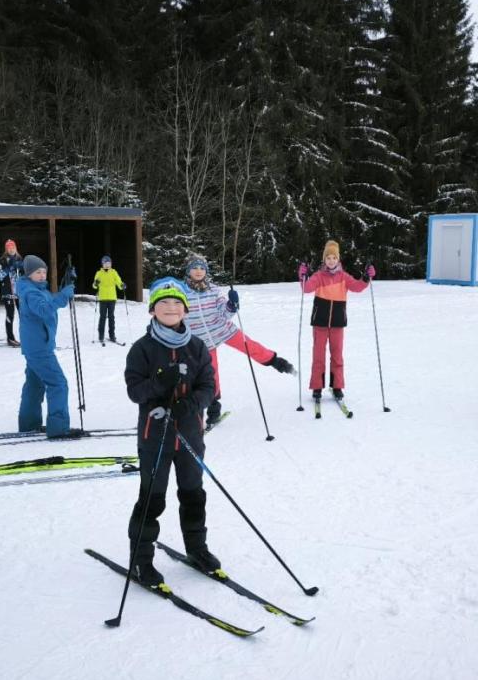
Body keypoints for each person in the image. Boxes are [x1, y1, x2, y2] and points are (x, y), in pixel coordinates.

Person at [123, 277, 218, 586]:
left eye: (177, 303)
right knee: (153, 497)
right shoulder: (143, 349)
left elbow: (208, 386)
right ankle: (141, 560)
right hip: (155, 435)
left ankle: (197, 548)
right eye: (164, 303)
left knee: (193, 493)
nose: (171, 308)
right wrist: (159, 384)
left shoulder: (197, 346)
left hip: (190, 433)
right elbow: (135, 391)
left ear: (185, 311)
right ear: (153, 310)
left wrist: (190, 404)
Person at [183, 253, 293, 425]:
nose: (198, 271)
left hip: (223, 329)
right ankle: (213, 406)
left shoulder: (213, 290)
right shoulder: (181, 291)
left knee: (250, 346)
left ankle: (276, 361)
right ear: (188, 271)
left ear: (206, 271)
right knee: (211, 373)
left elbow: (225, 313)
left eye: (202, 268)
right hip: (202, 340)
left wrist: (231, 305)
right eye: (194, 268)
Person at [301, 240, 371, 403]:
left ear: (338, 259)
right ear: (324, 260)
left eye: (334, 257)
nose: (331, 260)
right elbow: (306, 288)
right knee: (318, 355)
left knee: (337, 355)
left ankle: (337, 386)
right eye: (328, 258)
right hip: (320, 323)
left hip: (338, 323)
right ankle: (317, 387)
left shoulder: (344, 277)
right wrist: (303, 275)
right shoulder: (319, 276)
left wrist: (366, 277)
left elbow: (357, 286)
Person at [16, 255, 75, 433]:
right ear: (28, 274)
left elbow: (50, 302)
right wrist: (64, 295)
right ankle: (58, 428)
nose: (42, 275)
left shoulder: (37, 289)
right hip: (39, 348)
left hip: (36, 345)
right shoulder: (31, 292)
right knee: (58, 383)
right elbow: (43, 309)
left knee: (35, 385)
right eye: (37, 272)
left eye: (44, 272)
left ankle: (29, 423)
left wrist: (65, 288)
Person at [0, 239, 23, 347]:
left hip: (20, 293)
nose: (11, 249)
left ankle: (26, 336)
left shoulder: (21, 260)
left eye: (13, 247)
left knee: (24, 315)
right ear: (6, 250)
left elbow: (27, 275)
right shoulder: (2, 261)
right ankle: (10, 338)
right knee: (10, 315)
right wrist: (8, 269)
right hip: (8, 292)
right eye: (9, 248)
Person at [92, 255, 125, 343]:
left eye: (109, 263)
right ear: (102, 264)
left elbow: (118, 281)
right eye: (105, 263)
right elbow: (94, 286)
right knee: (102, 317)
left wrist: (122, 285)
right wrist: (96, 283)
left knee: (111, 317)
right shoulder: (99, 273)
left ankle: (112, 335)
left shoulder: (114, 272)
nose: (107, 265)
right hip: (102, 298)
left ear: (111, 264)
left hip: (112, 298)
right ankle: (101, 335)